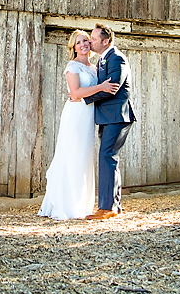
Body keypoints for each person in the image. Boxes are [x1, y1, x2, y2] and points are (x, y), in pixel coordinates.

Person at [38, 30, 119, 220]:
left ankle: (82, 204)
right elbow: (75, 92)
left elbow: (87, 94)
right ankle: (66, 205)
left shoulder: (94, 67)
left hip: (89, 115)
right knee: (72, 154)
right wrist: (100, 87)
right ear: (73, 47)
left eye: (86, 40)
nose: (83, 44)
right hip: (75, 115)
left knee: (84, 157)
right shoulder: (72, 66)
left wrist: (96, 91)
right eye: (79, 42)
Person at [83, 23, 136, 221]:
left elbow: (111, 88)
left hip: (117, 116)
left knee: (107, 156)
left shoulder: (117, 58)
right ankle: (115, 205)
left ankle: (107, 208)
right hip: (107, 117)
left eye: (94, 39)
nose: (90, 41)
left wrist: (83, 99)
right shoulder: (103, 60)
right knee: (109, 159)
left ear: (106, 41)